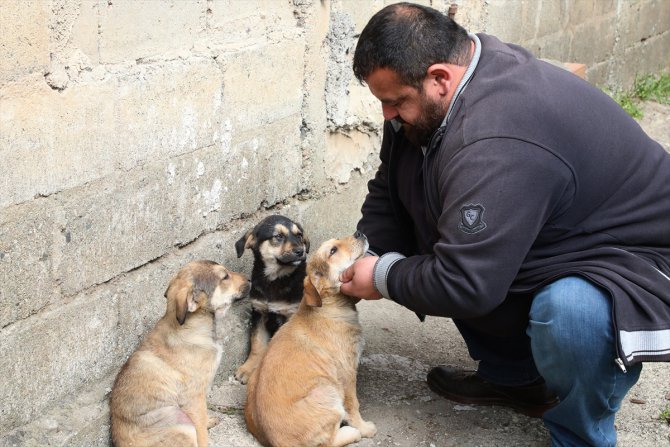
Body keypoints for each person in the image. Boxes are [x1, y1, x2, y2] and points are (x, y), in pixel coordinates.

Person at [339, 2, 670, 446]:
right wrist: (370, 249)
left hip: (637, 262)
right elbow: (391, 186)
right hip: (561, 236)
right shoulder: (446, 89)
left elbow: (466, 282)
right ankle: (515, 379)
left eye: (395, 102)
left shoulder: (496, 136)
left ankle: (580, 433)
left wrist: (381, 275)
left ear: (439, 78)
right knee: (457, 227)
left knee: (569, 312)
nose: (387, 115)